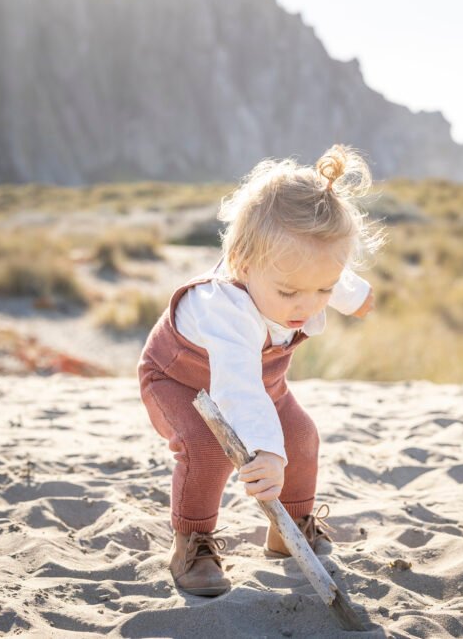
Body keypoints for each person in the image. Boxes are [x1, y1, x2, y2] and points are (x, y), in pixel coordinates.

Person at [138, 145, 383, 597]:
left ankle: (288, 530)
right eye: (289, 292)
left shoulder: (301, 276)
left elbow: (321, 271)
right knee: (205, 448)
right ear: (242, 264)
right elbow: (238, 390)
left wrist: (352, 295)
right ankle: (192, 543)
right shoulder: (225, 309)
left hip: (260, 383)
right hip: (178, 379)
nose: (307, 305)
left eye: (322, 290)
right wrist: (266, 451)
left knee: (303, 437)